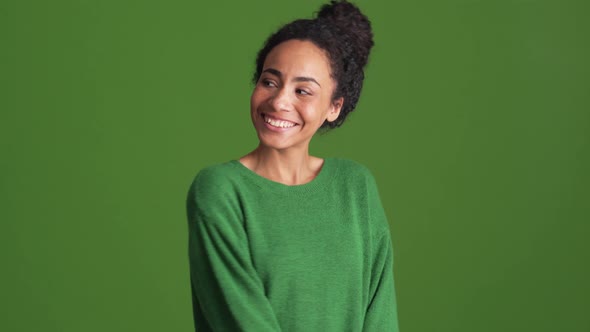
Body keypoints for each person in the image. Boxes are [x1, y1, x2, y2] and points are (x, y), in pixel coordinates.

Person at [186, 1, 400, 331]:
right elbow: (240, 321)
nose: (279, 101)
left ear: (334, 107)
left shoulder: (355, 186)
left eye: (303, 90)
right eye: (269, 82)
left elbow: (380, 315)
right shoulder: (220, 189)